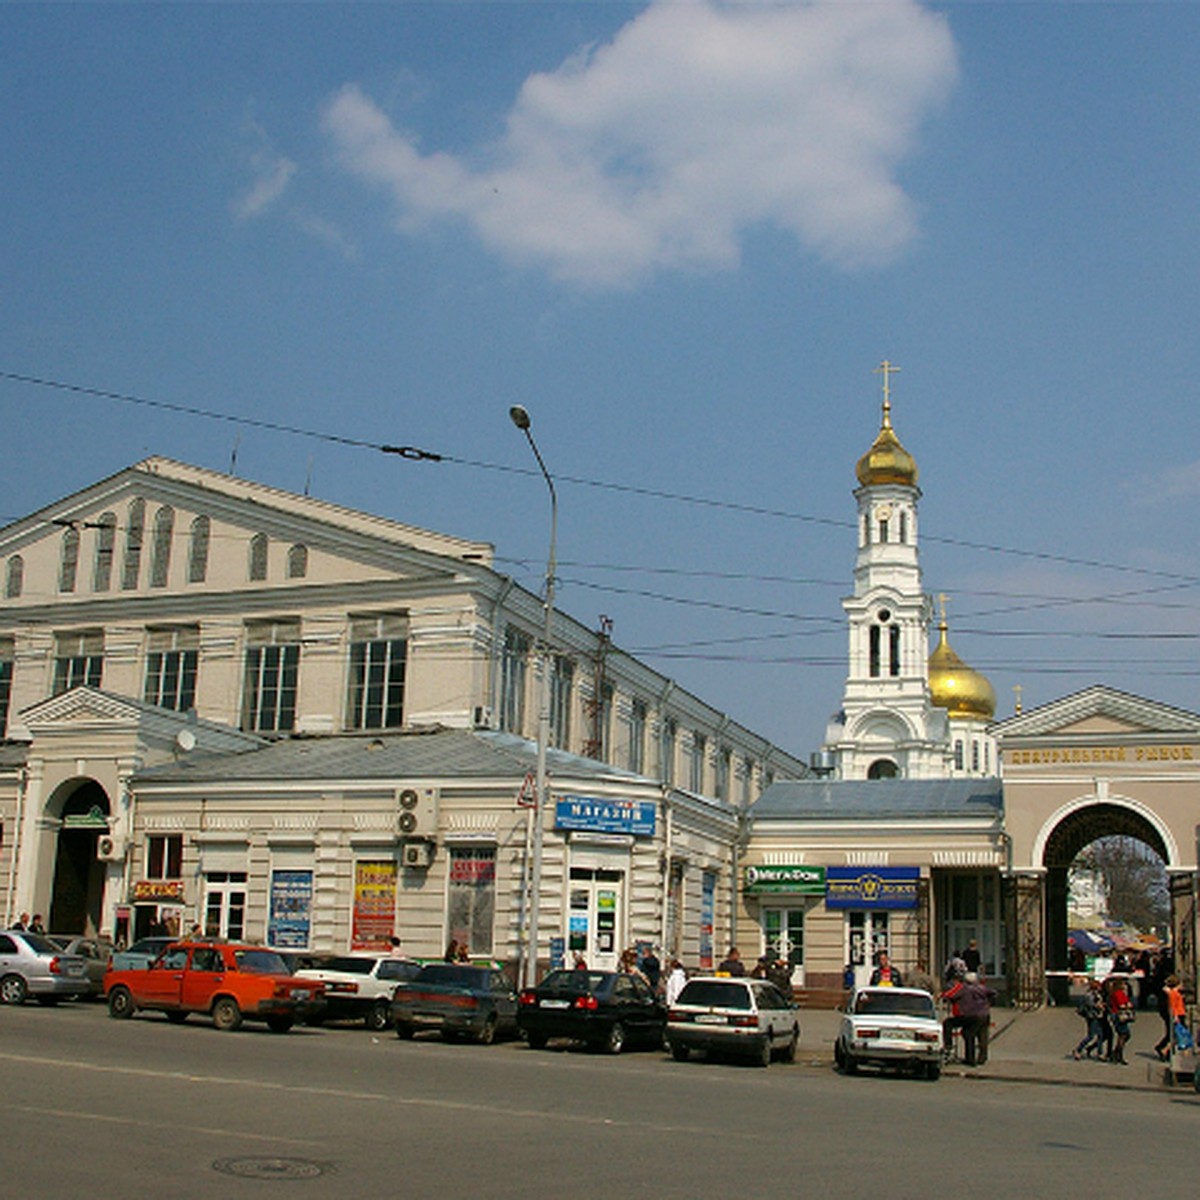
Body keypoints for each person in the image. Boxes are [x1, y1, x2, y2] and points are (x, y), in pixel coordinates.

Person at [1072, 979, 1107, 1060]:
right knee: (1091, 1036)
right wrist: (1099, 1005)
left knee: (1100, 1035)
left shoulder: (1097, 994)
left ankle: (1100, 1053)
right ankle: (1078, 1049)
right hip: (1092, 1016)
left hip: (1098, 1016)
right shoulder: (1089, 995)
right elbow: (1090, 1004)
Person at [1155, 974, 1186, 1061]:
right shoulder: (1171, 993)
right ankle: (1164, 1049)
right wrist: (1175, 1016)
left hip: (1172, 1014)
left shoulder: (1170, 992)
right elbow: (1172, 1005)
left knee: (1172, 1034)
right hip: (1173, 1015)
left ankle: (1165, 1050)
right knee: (1174, 1034)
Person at [1105, 976, 1134, 1065]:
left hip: (1115, 1015)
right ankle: (1118, 1054)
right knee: (1124, 1035)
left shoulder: (1115, 993)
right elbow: (1122, 1005)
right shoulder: (1119, 994)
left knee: (1123, 1035)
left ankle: (1116, 1053)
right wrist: (1128, 1005)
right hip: (1119, 1015)